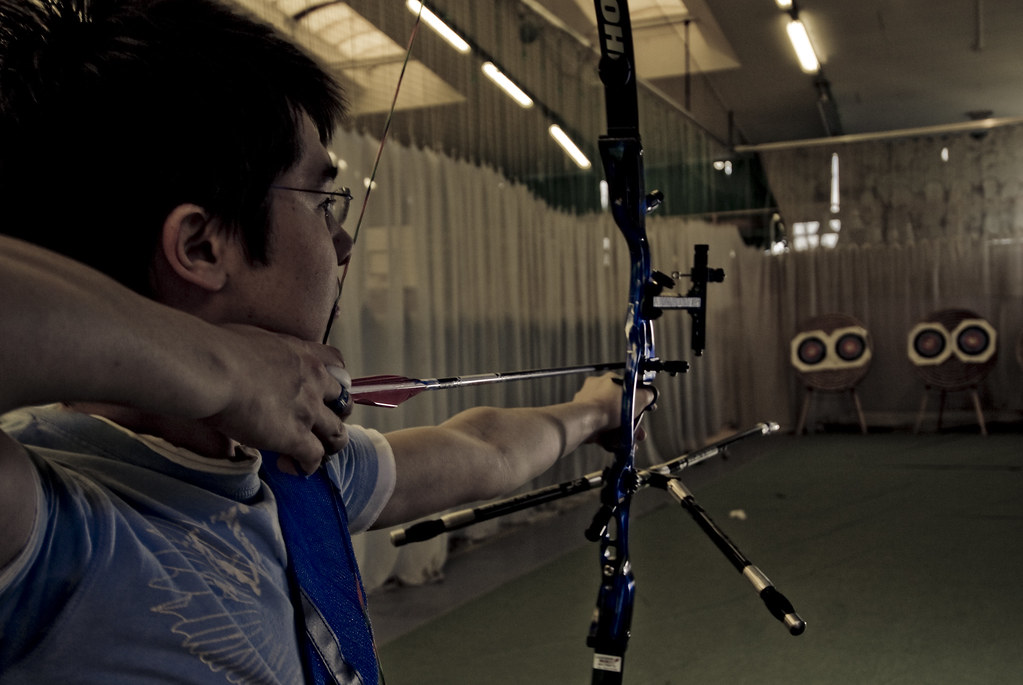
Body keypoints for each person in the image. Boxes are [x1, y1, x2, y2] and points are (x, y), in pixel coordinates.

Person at [0, 1, 653, 683]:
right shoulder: (42, 511)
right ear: (200, 244)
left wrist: (596, 410)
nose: (342, 243)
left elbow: (483, 449)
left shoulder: (292, 463)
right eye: (320, 201)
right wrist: (228, 372)